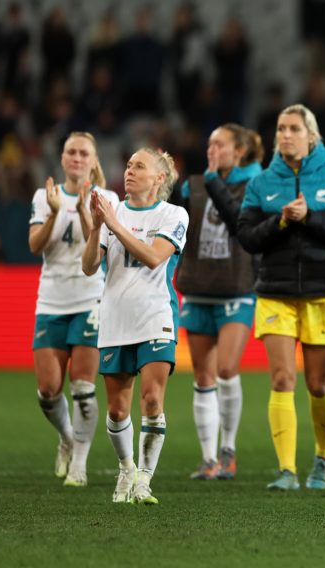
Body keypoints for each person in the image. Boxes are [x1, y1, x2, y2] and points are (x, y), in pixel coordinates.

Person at [237, 104, 325, 491]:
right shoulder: (261, 182)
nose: (286, 135)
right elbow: (247, 236)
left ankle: (322, 457)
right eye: (281, 128)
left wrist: (309, 217)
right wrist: (279, 221)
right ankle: (287, 470)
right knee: (281, 378)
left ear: (312, 135)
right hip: (275, 292)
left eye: (294, 128)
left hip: (323, 291)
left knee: (317, 383)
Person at [81, 148, 189, 505]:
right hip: (115, 318)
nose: (129, 170)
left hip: (155, 316)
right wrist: (96, 227)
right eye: (128, 165)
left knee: (153, 399)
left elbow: (155, 257)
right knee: (116, 410)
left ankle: (144, 479)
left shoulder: (173, 214)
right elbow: (88, 266)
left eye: (139, 166)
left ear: (159, 178)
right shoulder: (114, 211)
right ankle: (126, 467)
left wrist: (113, 225)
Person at [28, 132, 117, 488]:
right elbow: (35, 246)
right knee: (48, 390)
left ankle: (79, 462)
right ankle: (67, 436)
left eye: (84, 153)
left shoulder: (107, 199)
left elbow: (97, 250)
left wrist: (83, 209)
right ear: (63, 158)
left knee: (82, 387)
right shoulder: (44, 196)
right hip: (50, 301)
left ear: (94, 161)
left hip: (89, 300)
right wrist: (53, 213)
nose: (77, 158)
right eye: (71, 152)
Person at [176, 124, 263, 480]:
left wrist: (212, 180)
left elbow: (239, 223)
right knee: (203, 376)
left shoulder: (255, 185)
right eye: (209, 143)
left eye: (220, 144)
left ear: (239, 152)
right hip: (197, 288)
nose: (212, 149)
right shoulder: (192, 186)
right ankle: (208, 457)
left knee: (227, 369)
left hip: (237, 288)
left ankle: (229, 449)